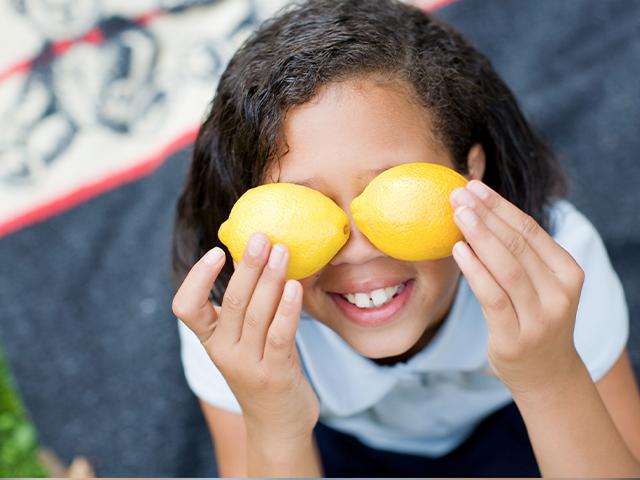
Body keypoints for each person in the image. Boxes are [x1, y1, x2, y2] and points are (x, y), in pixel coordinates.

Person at [170, 0, 640, 476]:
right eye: (306, 204)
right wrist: (274, 423)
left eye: (391, 191)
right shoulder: (231, 316)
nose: (357, 247)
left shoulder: (555, 274)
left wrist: (550, 377)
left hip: (525, 418)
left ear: (470, 172)